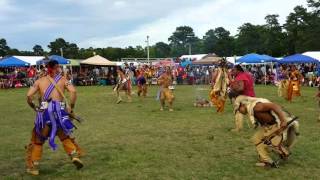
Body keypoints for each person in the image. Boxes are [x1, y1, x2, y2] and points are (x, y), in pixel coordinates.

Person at [25, 60, 83, 176]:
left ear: (47, 68)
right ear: (57, 67)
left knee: (38, 140)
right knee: (64, 137)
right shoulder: (63, 80)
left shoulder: (39, 81)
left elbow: (29, 96)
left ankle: (35, 166)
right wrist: (71, 107)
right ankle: (74, 156)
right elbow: (73, 91)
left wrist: (34, 107)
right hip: (60, 113)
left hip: (45, 112)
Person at [234, 95, 299, 168]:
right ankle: (276, 156)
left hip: (275, 125)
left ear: (242, 105)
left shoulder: (256, 107)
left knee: (266, 143)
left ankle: (272, 159)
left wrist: (283, 120)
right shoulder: (252, 108)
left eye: (239, 109)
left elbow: (274, 106)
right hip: (269, 126)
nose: (239, 111)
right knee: (257, 139)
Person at [229, 65, 256, 132]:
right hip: (251, 95)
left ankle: (238, 128)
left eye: (233, 70)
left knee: (237, 109)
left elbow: (241, 88)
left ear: (238, 70)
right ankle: (254, 123)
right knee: (249, 110)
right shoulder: (246, 74)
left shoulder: (241, 76)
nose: (232, 72)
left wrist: (233, 90)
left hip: (245, 96)